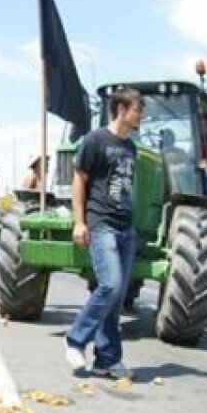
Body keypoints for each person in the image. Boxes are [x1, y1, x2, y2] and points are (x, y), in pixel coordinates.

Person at [64, 87, 143, 381]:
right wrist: (79, 222)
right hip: (102, 224)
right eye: (138, 110)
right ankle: (75, 339)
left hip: (125, 227)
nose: (141, 116)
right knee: (109, 284)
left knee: (116, 297)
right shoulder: (95, 140)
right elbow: (79, 180)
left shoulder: (131, 147)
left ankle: (107, 360)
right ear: (122, 109)